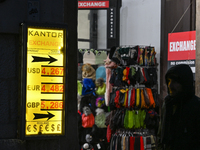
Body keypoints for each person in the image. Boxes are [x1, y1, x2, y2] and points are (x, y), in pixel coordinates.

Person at [160, 64, 200, 150]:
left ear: (185, 83)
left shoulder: (196, 106)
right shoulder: (167, 104)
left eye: (175, 82)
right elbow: (161, 134)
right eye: (168, 81)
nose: (170, 85)